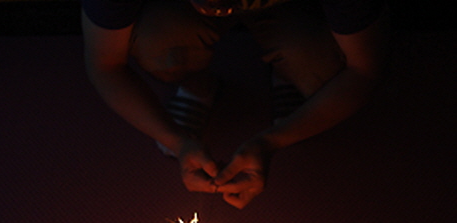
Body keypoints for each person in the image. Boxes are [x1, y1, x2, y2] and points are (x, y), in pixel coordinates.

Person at [82, 0, 389, 208]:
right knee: (158, 45)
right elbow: (105, 65)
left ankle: (289, 70)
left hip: (298, 8)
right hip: (172, 9)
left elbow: (363, 70)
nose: (220, 10)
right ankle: (195, 81)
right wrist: (176, 140)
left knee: (321, 66)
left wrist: (273, 140)